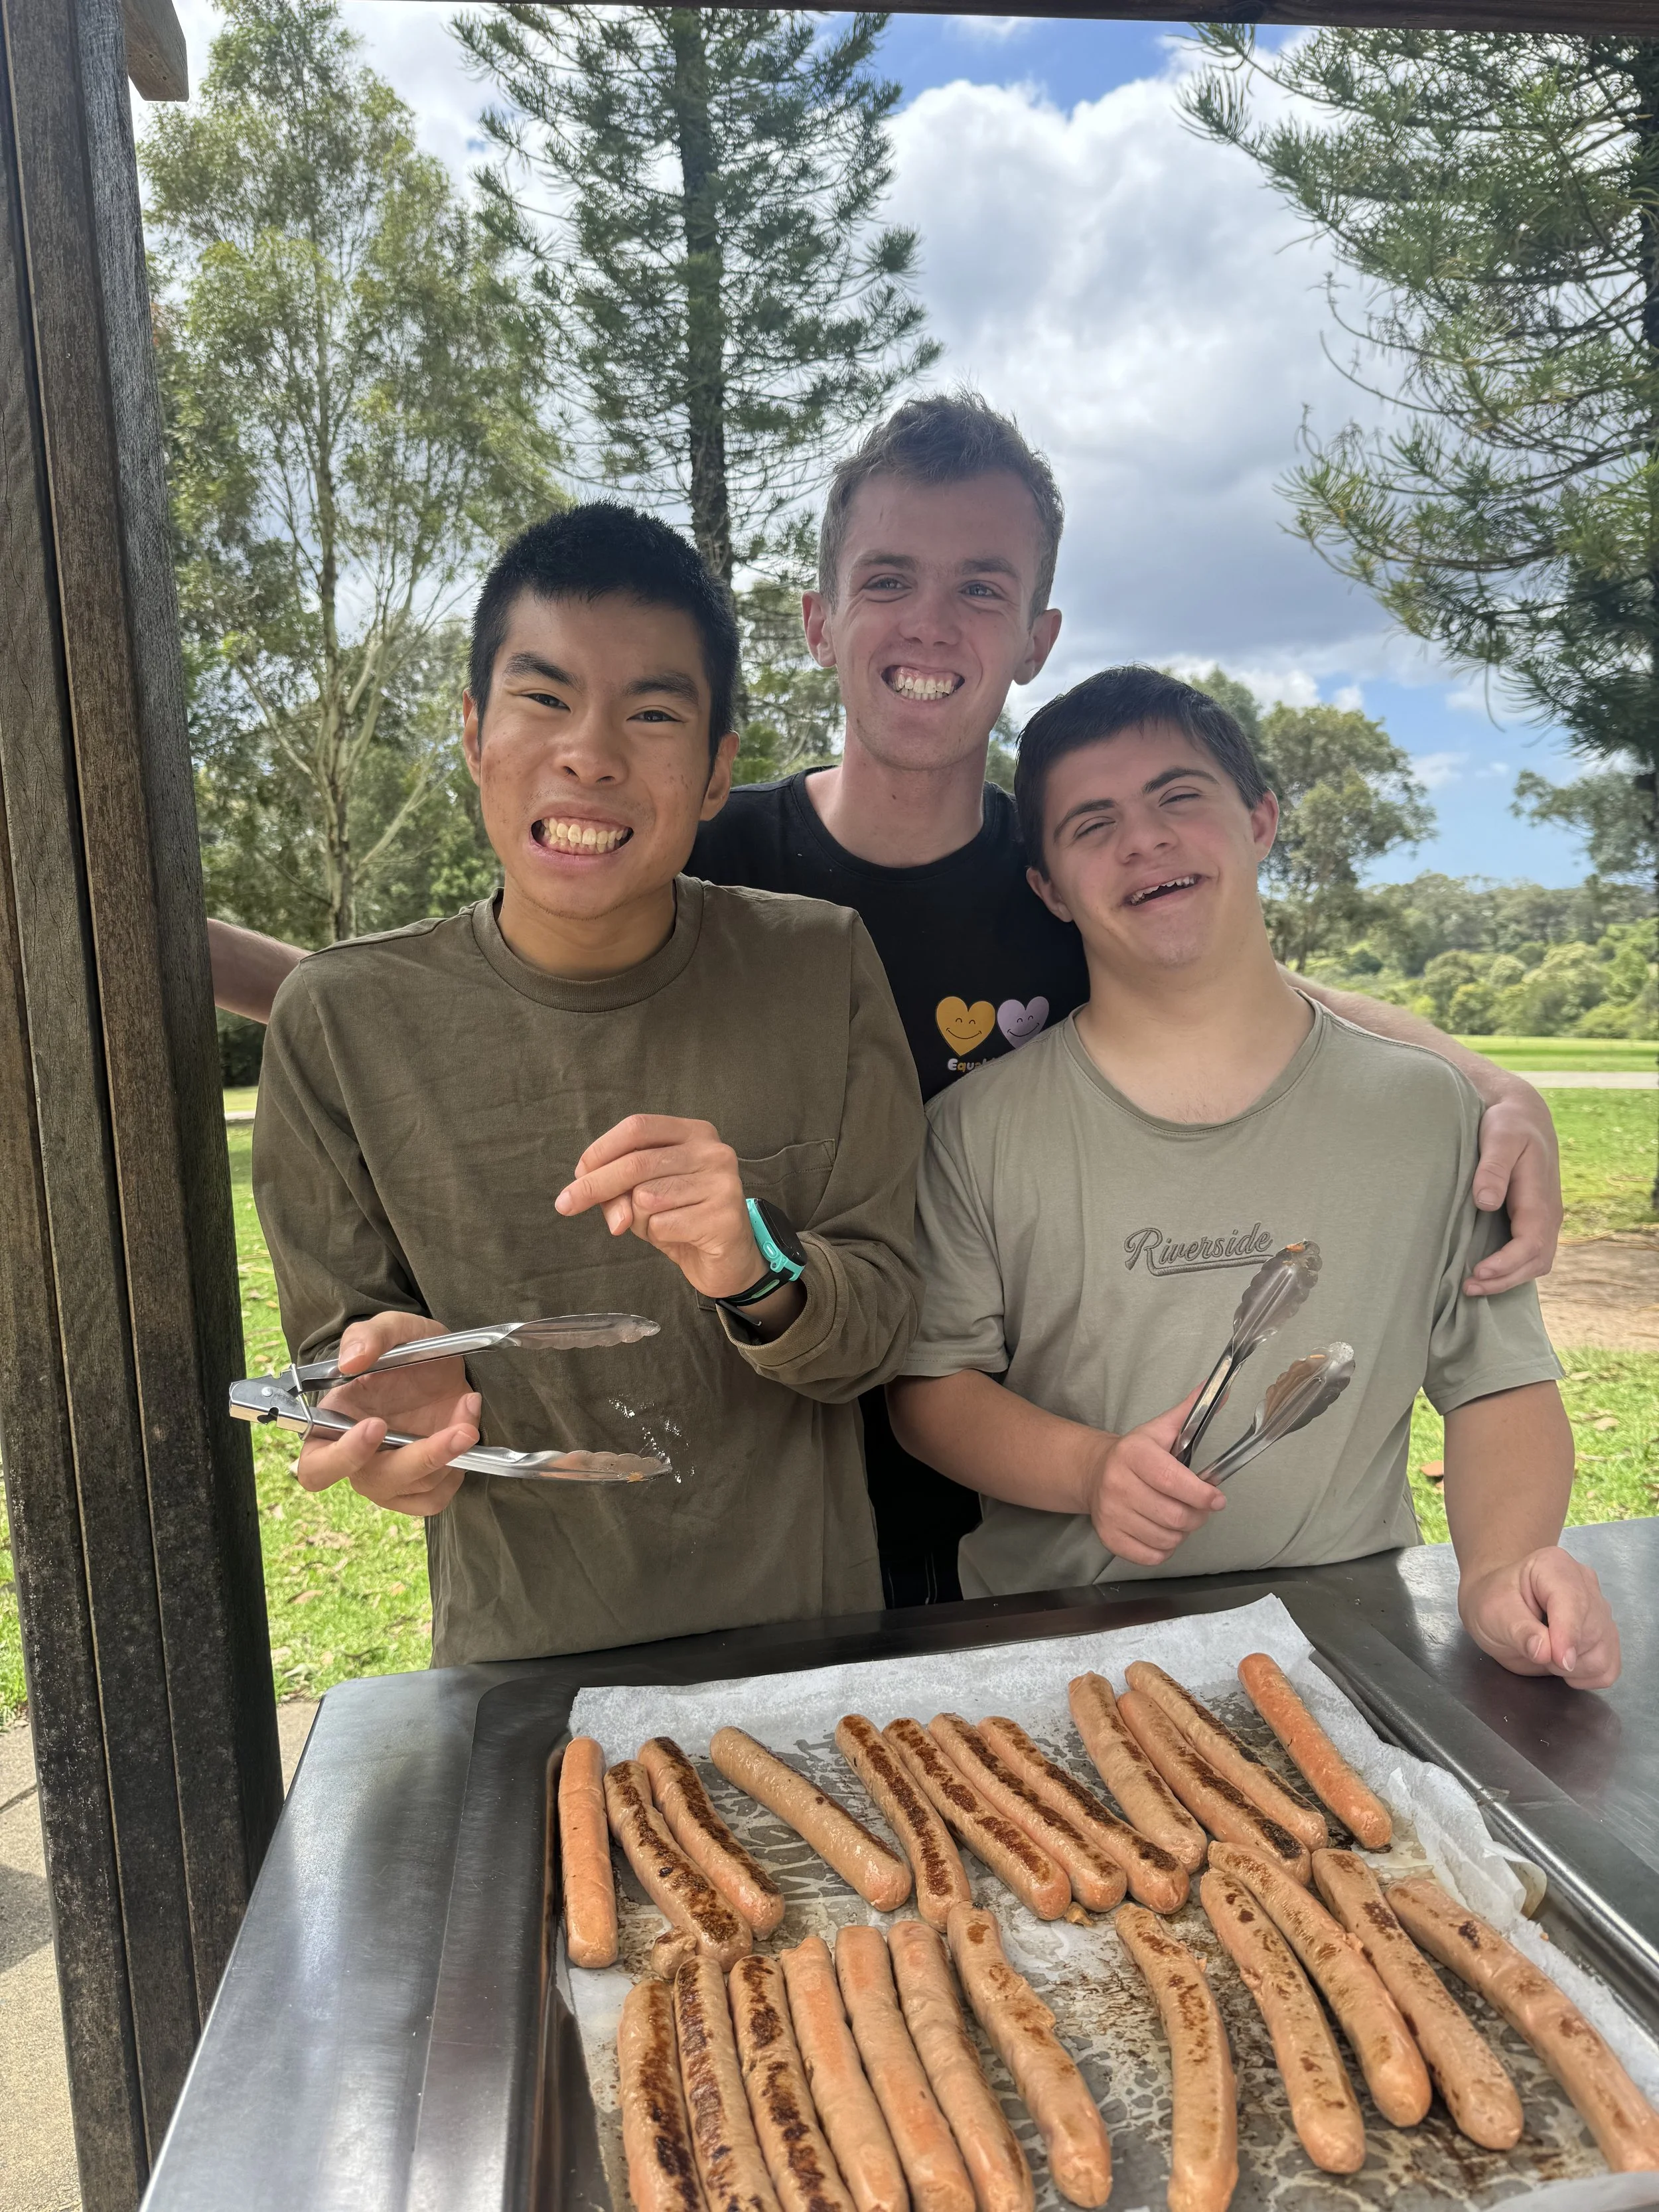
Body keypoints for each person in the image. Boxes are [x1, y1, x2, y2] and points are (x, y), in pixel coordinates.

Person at [692, 391, 1565, 1609]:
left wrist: (1483, 1085)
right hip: (751, 1480)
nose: (933, 622)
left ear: (1038, 637)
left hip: (1009, 1537)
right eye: (888, 579)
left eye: (982, 587)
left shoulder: (1058, 874)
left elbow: (1242, 986)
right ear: (818, 619)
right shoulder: (704, 864)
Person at [253, 503, 924, 1665]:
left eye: (654, 712)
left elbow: (877, 1333)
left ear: (717, 773)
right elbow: (341, 1367)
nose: (592, 753)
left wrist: (753, 1263)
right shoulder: (342, 1022)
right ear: (473, 732)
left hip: (809, 1653)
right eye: (544, 697)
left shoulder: (822, 966)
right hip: (521, 1668)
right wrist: (387, 1416)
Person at [887, 667, 1617, 1690]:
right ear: (1048, 887)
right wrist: (1089, 1470)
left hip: (1350, 1649)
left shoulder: (1430, 1115)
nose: (1144, 839)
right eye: (1091, 824)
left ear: (1263, 820)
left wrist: (1501, 1568)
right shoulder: (975, 1132)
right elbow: (930, 1391)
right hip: (1053, 1656)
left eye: (1180, 797)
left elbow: (1498, 1383)